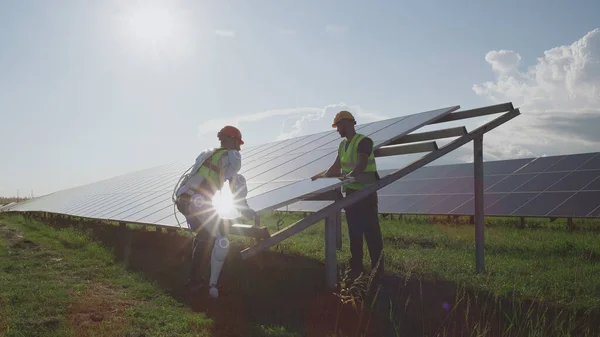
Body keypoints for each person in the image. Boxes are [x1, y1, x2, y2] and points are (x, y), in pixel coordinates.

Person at [174, 125, 257, 299]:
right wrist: (247, 210)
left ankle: (195, 281)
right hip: (198, 201)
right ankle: (213, 287)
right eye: (238, 143)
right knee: (222, 238)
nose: (239, 148)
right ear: (232, 140)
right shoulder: (232, 156)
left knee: (204, 235)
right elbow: (237, 183)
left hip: (183, 200)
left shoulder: (208, 153)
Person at [311, 110, 384, 281]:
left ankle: (378, 271)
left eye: (339, 126)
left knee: (371, 233)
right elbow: (336, 167)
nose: (337, 130)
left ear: (348, 123)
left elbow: (362, 163)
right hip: (351, 194)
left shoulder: (364, 141)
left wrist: (350, 175)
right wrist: (321, 177)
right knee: (355, 233)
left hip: (366, 193)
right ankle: (356, 268)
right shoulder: (343, 145)